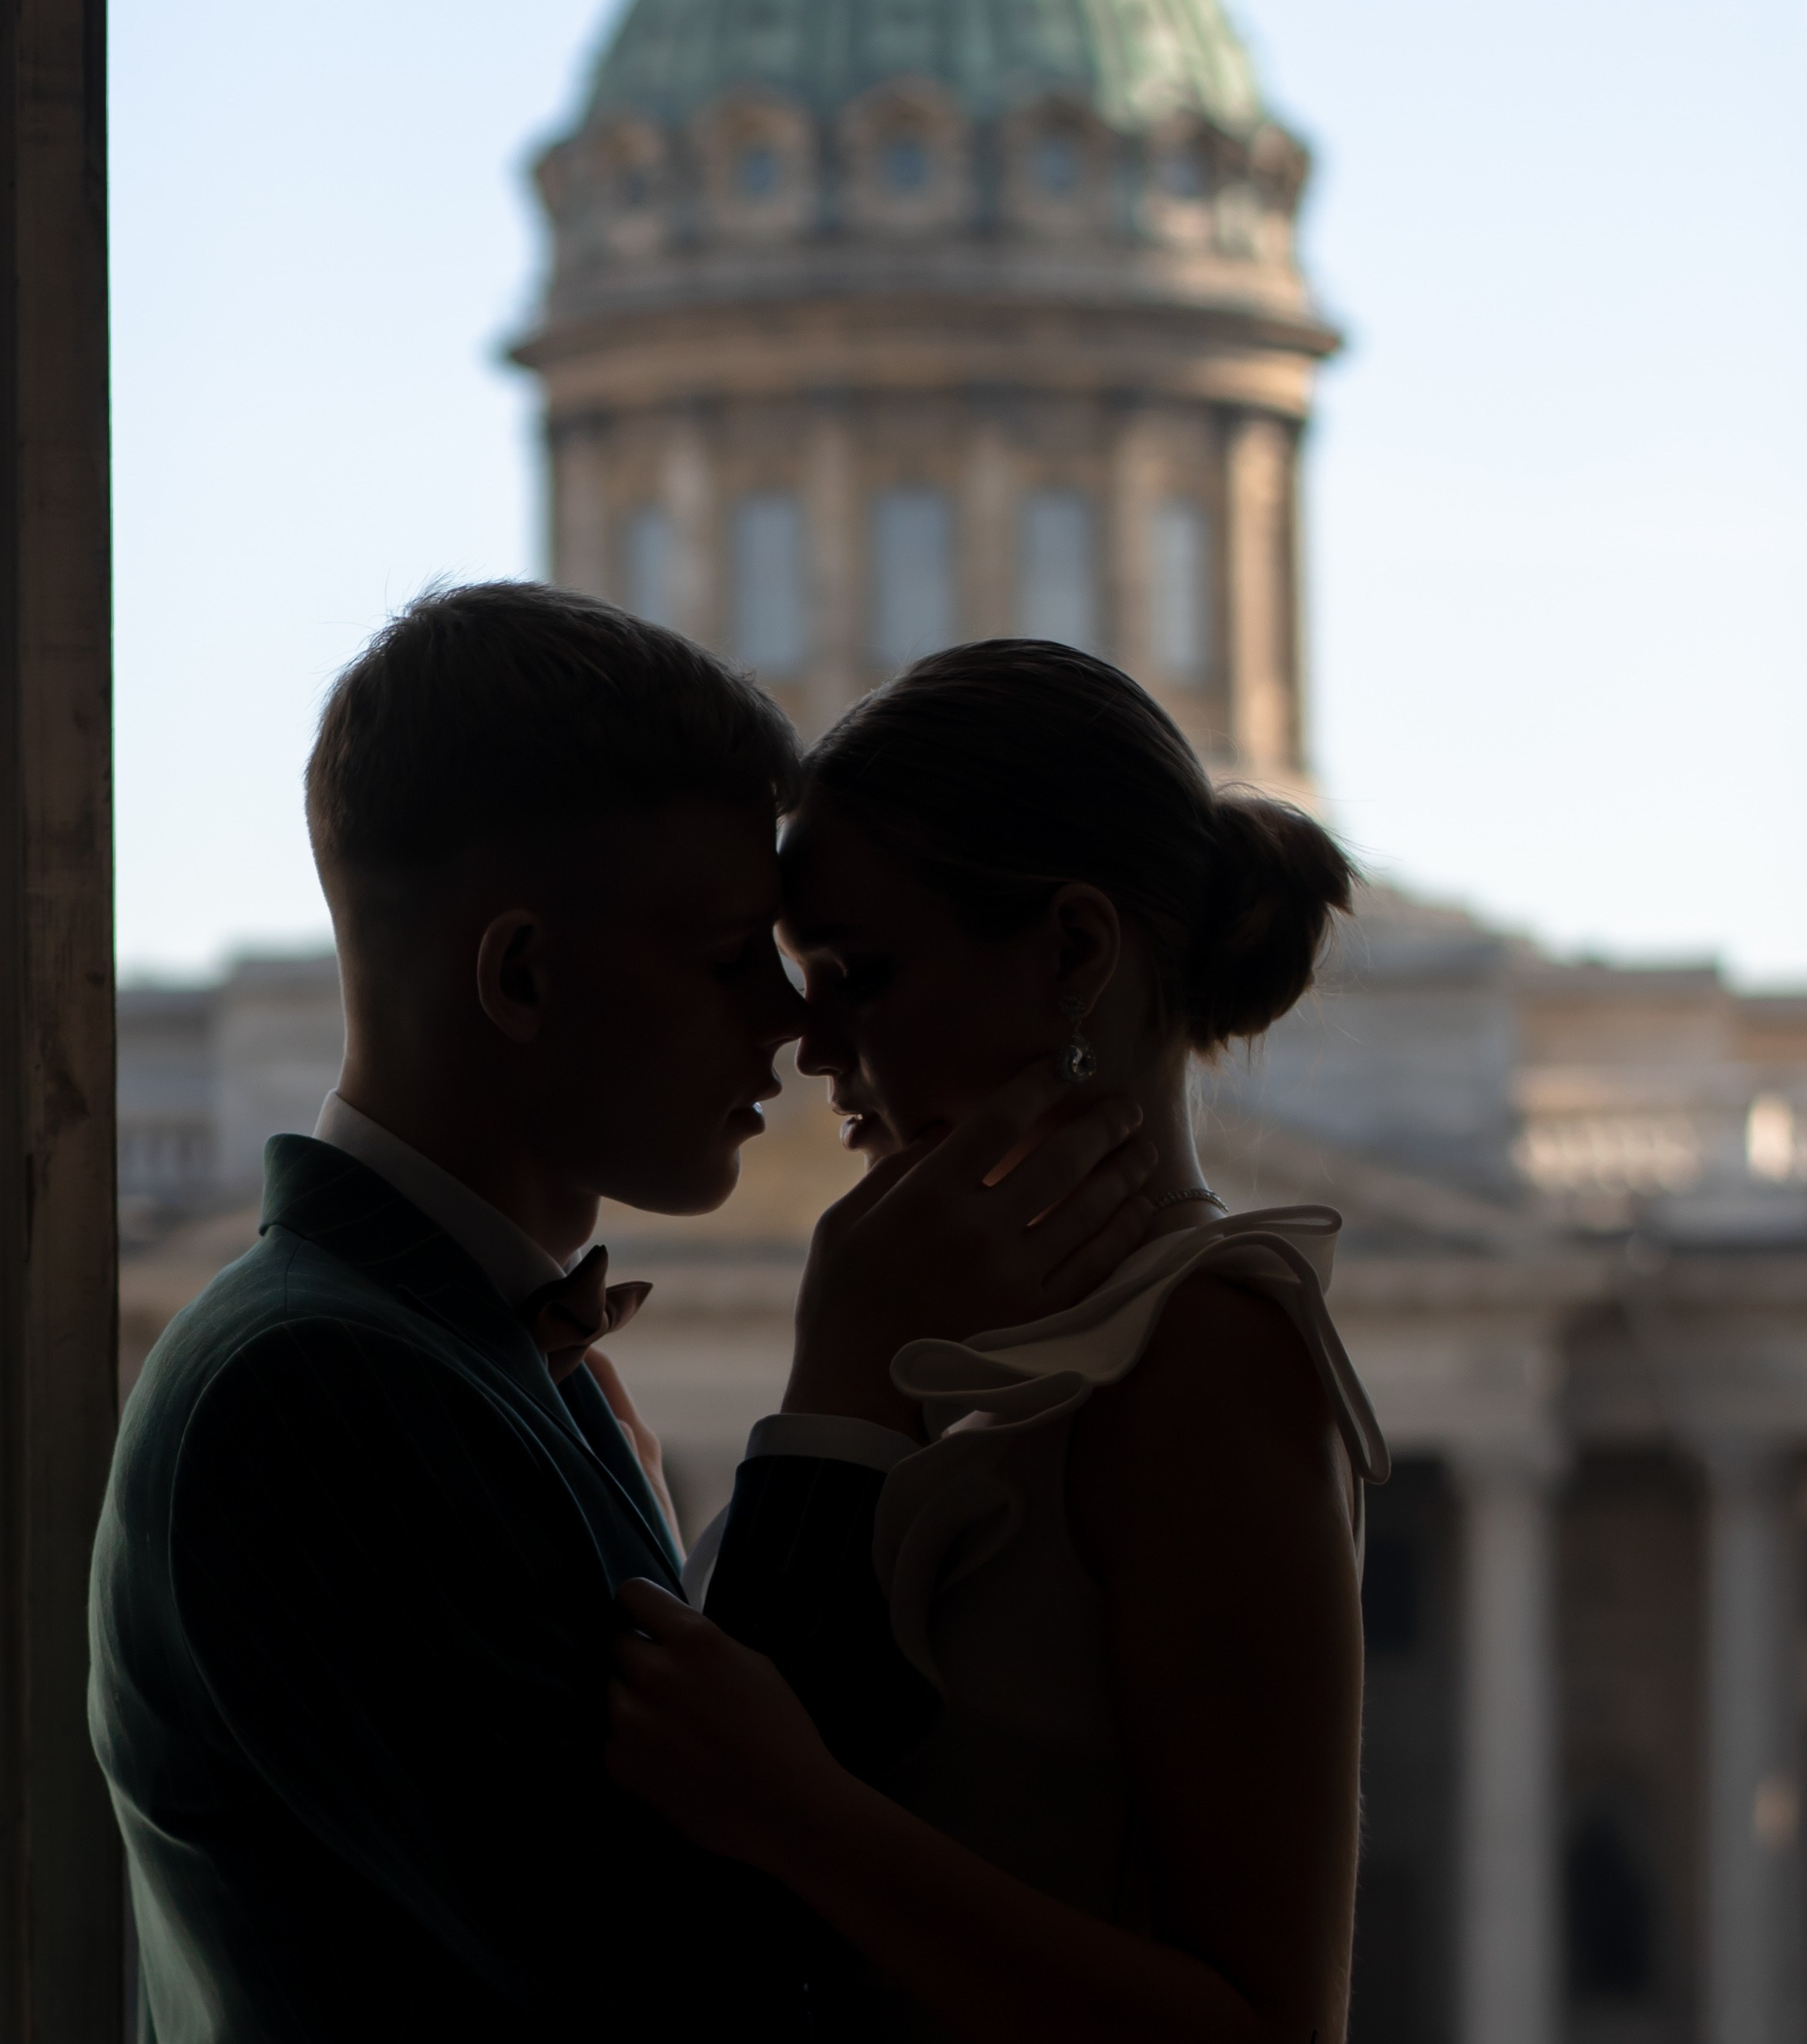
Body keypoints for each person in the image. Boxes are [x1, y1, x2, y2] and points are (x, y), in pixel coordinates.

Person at [89, 589, 1155, 2043]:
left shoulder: (441, 1345)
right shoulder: (314, 1385)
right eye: (728, 956)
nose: (792, 1025)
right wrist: (844, 1392)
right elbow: (690, 1975)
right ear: (521, 975)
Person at [606, 639, 1391, 2044]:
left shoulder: (1203, 1357)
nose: (809, 1042)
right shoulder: (988, 1335)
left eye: (858, 969)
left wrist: (805, 1819)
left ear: (1076, 954)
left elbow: (1271, 2025)